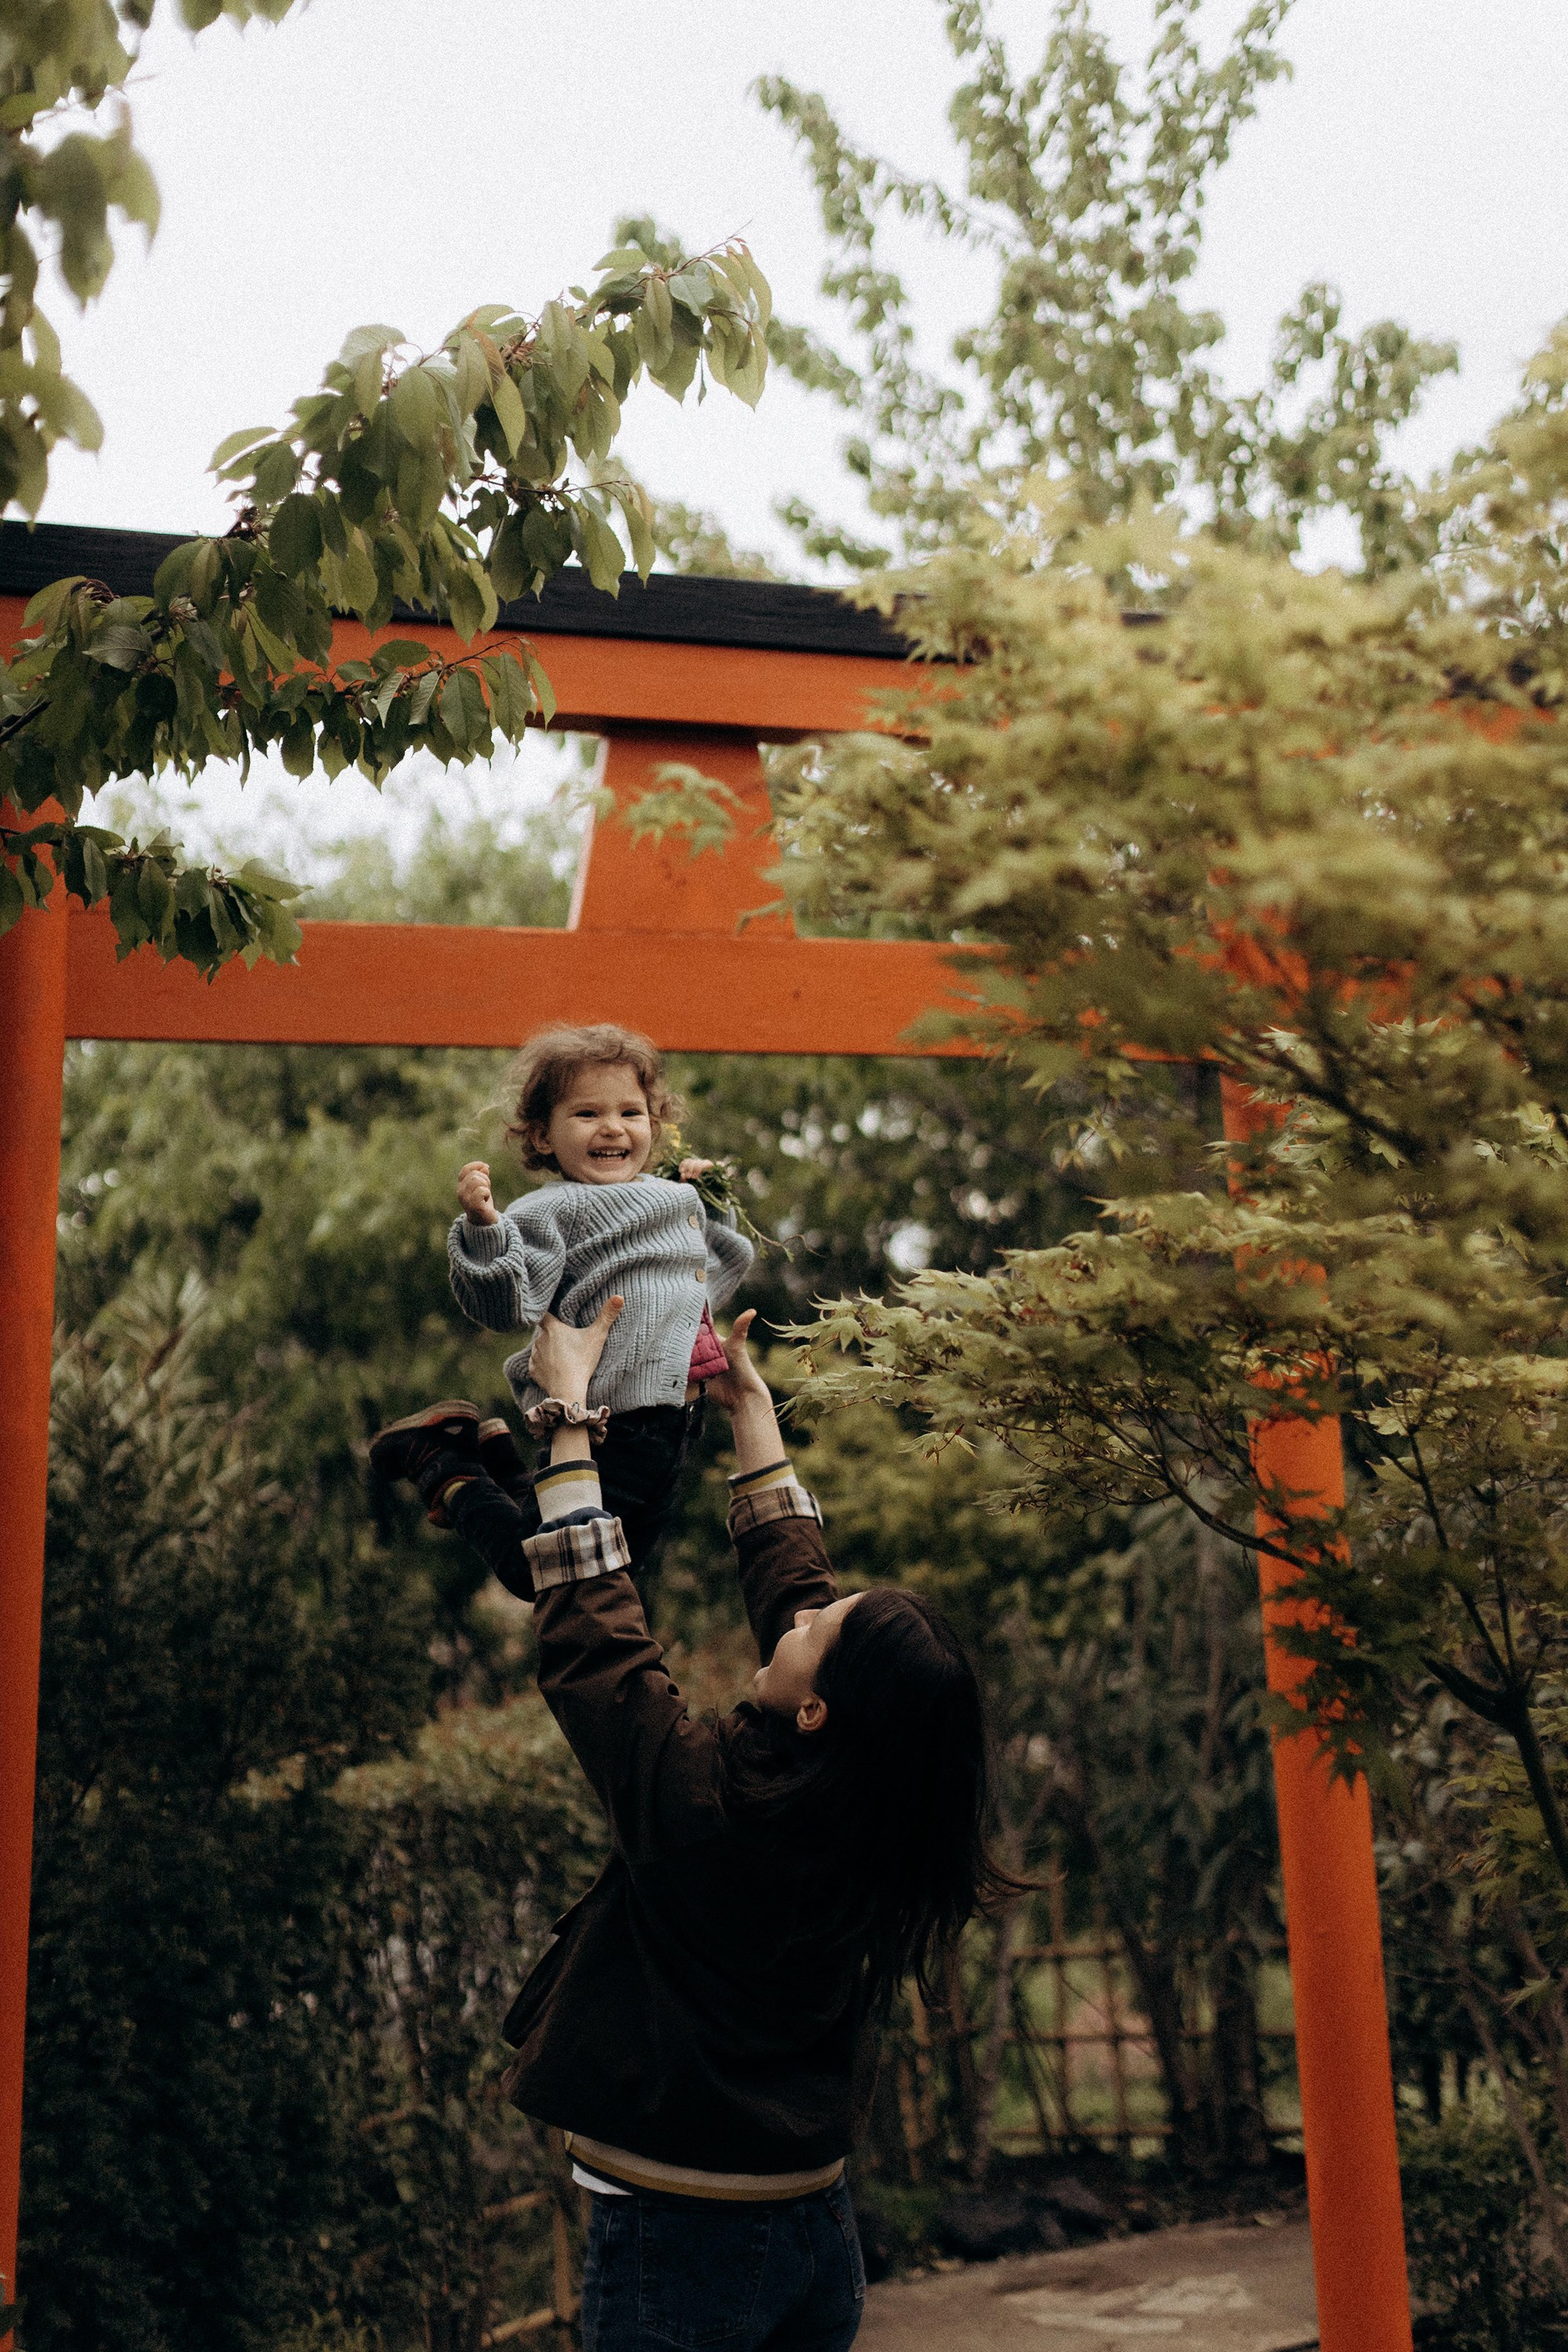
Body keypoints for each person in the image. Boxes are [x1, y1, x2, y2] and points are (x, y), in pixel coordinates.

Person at [369, 1299, 1018, 2352]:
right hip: (813, 2222)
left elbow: (599, 1645)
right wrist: (748, 1410)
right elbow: (798, 1596)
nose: (808, 1613)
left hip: (686, 2244)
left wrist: (571, 1420)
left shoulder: (711, 1805)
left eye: (826, 1630)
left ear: (817, 1708)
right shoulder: (871, 1799)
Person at [389, 1022, 753, 1577]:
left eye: (630, 1113)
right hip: (609, 1428)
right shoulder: (551, 1209)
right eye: (587, 1114)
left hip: (680, 1427)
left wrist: (710, 1198)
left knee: (614, 1573)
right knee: (549, 1573)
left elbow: (705, 1276)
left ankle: (504, 1467)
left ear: (653, 1124)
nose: (612, 1128)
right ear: (541, 1136)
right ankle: (445, 1466)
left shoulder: (672, 1197)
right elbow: (508, 1305)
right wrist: (485, 1228)